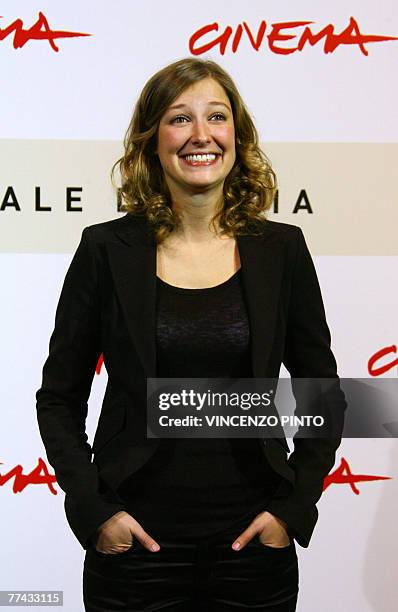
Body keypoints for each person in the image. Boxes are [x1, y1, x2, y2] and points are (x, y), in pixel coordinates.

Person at [36, 57, 346, 611]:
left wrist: (293, 508)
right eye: (180, 119)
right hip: (134, 552)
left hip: (254, 547)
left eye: (217, 117)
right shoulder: (106, 250)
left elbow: (322, 391)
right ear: (152, 141)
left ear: (237, 135)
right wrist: (96, 513)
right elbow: (58, 398)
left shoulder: (282, 250)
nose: (201, 135)